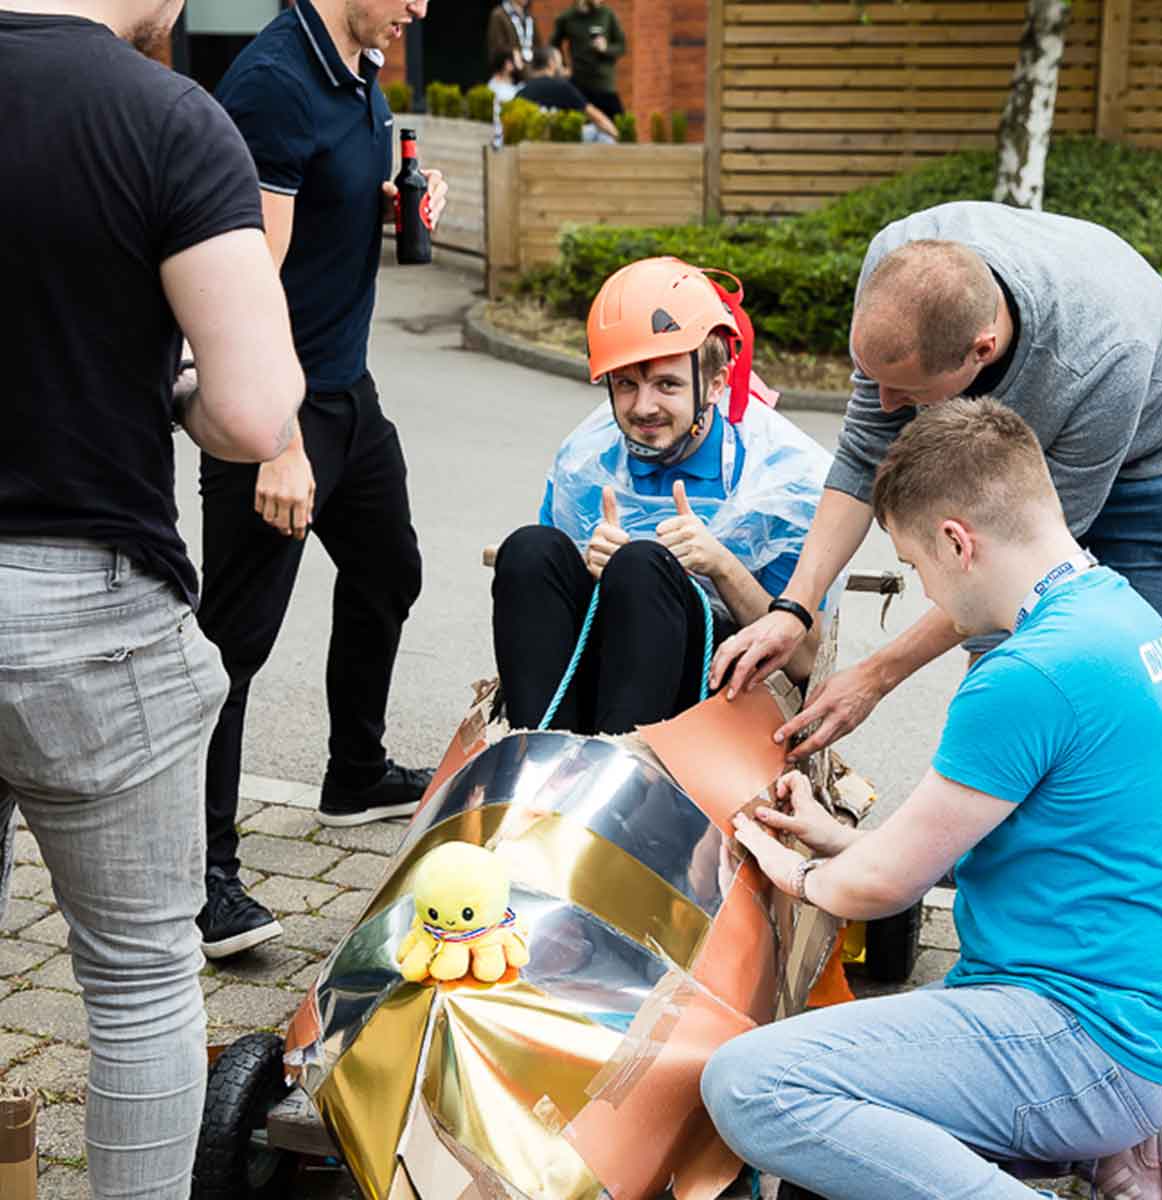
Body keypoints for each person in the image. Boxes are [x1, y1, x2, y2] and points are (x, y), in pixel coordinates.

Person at [703, 398, 1162, 1200]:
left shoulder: (1024, 673)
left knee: (752, 1085)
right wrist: (834, 839)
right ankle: (1113, 1147)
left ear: (954, 540)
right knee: (838, 1146)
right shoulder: (1121, 615)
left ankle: (1082, 1149)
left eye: (914, 569)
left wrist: (789, 869)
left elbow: (880, 890)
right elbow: (1019, 835)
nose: (924, 589)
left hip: (1081, 1037)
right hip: (1137, 1022)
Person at [0, 0, 305, 1194]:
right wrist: (173, 377)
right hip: (91, 610)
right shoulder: (168, 118)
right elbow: (251, 413)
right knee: (133, 982)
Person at [711, 202, 1162, 758]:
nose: (886, 404)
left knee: (1122, 691)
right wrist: (792, 610)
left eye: (907, 392)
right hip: (1049, 398)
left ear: (982, 350)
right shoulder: (897, 260)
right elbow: (861, 454)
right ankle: (990, 810)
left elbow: (1023, 565)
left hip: (1157, 466)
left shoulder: (1104, 358)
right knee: (1001, 682)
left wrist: (876, 676)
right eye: (877, 380)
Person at [195, 0, 449, 960]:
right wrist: (274, 442)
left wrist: (387, 205)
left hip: (346, 388)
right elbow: (240, 287)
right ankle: (202, 881)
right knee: (233, 645)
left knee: (390, 570)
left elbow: (317, 218)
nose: (421, 10)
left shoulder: (359, 65)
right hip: (274, 406)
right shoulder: (272, 84)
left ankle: (353, 774)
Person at [492, 257, 838, 734]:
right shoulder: (585, 463)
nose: (643, 407)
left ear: (716, 384)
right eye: (626, 384)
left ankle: (622, 769)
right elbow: (547, 603)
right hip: (598, 677)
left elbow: (804, 661)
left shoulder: (782, 478)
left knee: (641, 568)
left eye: (667, 384)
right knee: (529, 551)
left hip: (713, 694)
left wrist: (720, 564)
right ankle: (539, 755)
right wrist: (592, 573)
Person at [516, 45, 618, 142]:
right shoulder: (561, 87)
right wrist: (619, 137)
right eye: (560, 63)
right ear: (551, 63)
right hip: (558, 144)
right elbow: (596, 116)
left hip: (528, 145)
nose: (563, 67)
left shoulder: (523, 90)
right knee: (599, 132)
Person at [551, 0, 626, 120]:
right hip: (578, 84)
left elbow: (622, 46)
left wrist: (606, 48)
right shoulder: (567, 17)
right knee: (573, 127)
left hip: (603, 84)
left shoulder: (606, 14)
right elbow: (554, 44)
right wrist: (562, 66)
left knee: (619, 126)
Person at [486, 0, 538, 77]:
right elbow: (497, 47)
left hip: (531, 68)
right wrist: (513, 52)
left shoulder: (528, 16)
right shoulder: (499, 15)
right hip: (510, 72)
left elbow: (536, 44)